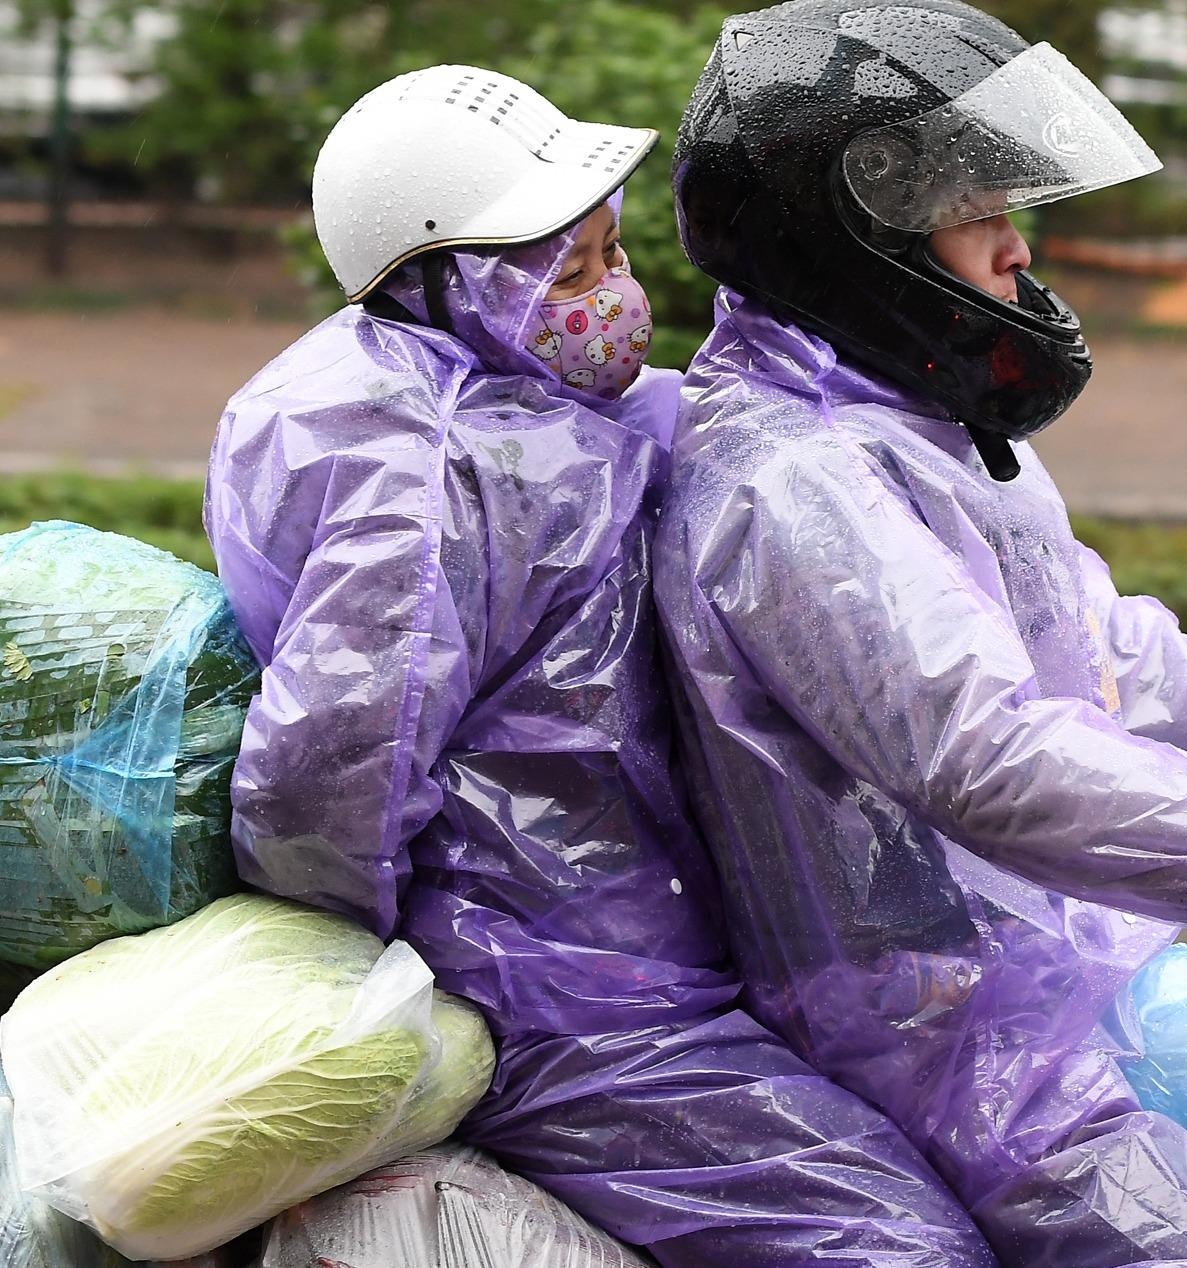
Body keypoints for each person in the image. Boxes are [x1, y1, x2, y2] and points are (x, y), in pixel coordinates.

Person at [205, 64, 998, 1268]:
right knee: (898, 1243)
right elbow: (326, 779)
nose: (616, 292)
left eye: (612, 252)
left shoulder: (528, 408)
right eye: (570, 272)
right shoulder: (430, 472)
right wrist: (392, 998)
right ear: (435, 286)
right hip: (555, 996)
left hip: (648, 951)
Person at [658, 4, 1187, 1265]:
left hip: (1054, 983)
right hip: (952, 1049)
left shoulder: (901, 418)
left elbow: (1094, 642)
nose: (1019, 249)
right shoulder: (792, 480)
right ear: (864, 242)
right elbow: (986, 751)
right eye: (981, 214)